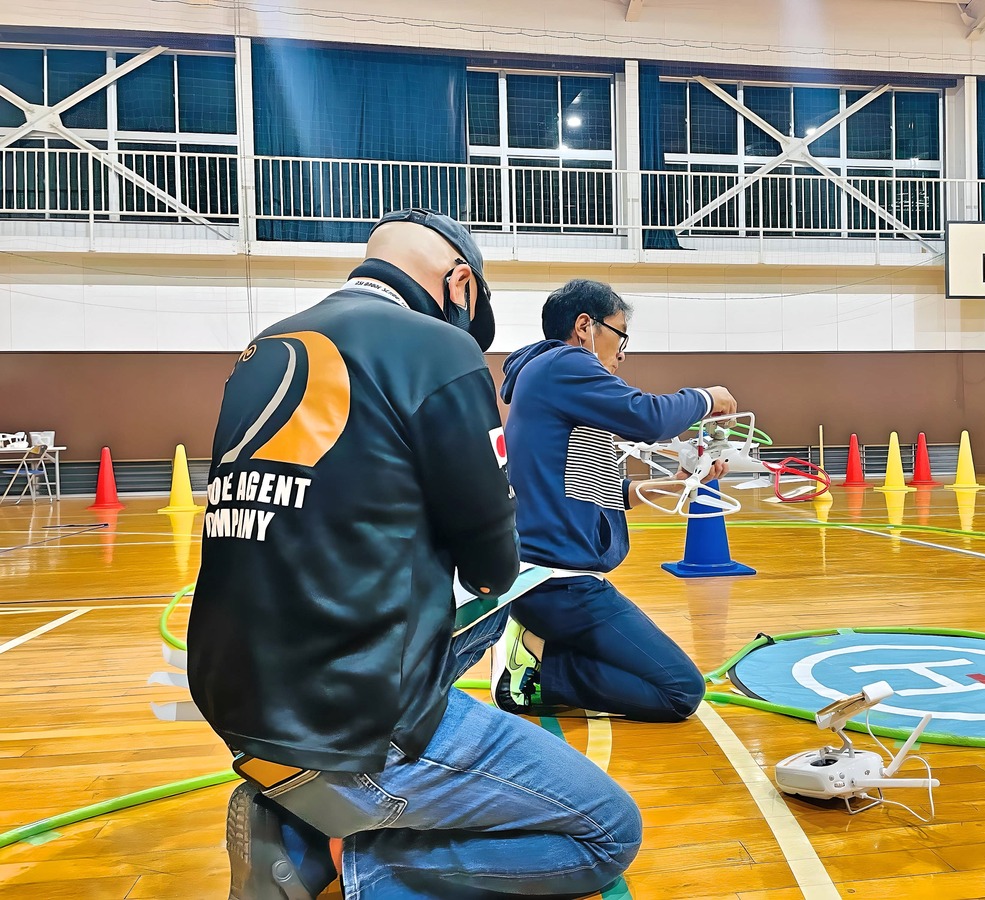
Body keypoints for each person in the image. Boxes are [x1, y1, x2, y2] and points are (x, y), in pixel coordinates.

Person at [188, 213, 641, 900]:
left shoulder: (267, 346)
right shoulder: (436, 348)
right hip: (352, 718)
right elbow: (492, 563)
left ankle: (295, 828)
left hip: (235, 696)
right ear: (460, 283)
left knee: (478, 624)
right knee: (609, 831)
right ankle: (357, 867)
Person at [494, 278, 737, 722]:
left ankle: (539, 650)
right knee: (680, 691)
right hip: (559, 583)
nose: (623, 352)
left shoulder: (558, 386)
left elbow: (610, 493)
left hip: (557, 580)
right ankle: (534, 672)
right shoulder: (563, 364)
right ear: (585, 326)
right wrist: (707, 398)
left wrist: (684, 478)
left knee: (658, 676)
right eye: (620, 334)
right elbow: (647, 417)